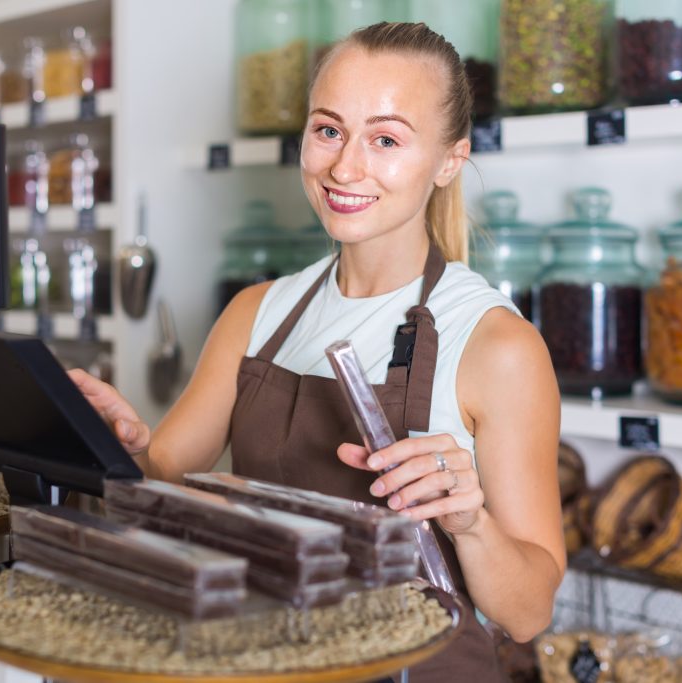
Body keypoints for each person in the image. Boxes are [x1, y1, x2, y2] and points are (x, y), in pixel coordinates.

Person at [71, 21, 564, 681]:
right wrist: (118, 440)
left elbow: (529, 613)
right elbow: (164, 473)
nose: (344, 166)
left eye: (385, 139)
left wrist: (471, 523)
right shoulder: (258, 312)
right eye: (328, 130)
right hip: (264, 659)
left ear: (450, 160)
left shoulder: (497, 344)